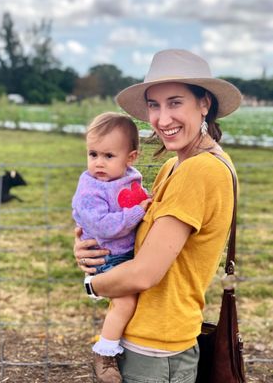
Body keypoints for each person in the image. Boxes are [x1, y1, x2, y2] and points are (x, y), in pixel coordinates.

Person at [74, 49, 242, 383]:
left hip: (157, 347)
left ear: (204, 103)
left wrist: (93, 285)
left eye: (175, 102)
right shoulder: (173, 165)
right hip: (146, 335)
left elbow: (144, 274)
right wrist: (89, 247)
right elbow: (138, 234)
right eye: (154, 105)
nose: (162, 119)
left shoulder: (201, 171)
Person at [72, 112, 152, 383]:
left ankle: (124, 343)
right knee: (125, 301)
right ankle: (105, 354)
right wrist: (137, 213)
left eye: (108, 156)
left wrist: (146, 202)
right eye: (93, 154)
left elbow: (139, 198)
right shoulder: (90, 188)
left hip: (128, 251)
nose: (98, 163)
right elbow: (105, 227)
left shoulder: (129, 177)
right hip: (109, 257)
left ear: (130, 158)